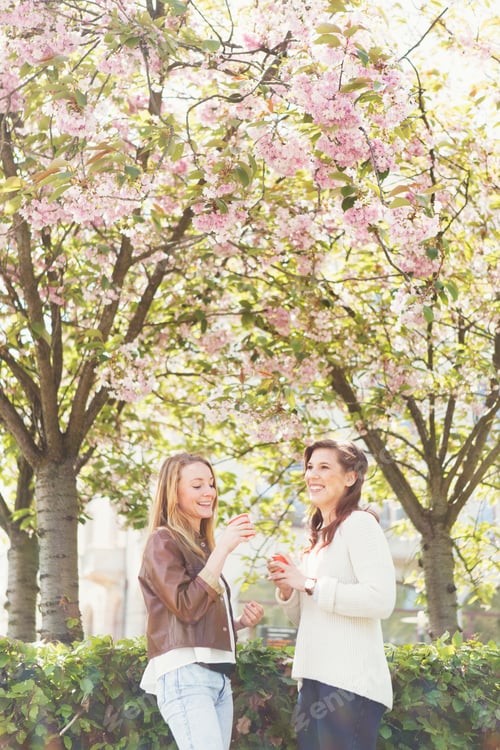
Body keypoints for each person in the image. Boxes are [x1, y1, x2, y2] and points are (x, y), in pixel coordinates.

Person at [268, 439, 396, 750]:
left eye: (324, 467)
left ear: (351, 477)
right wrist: (289, 589)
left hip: (348, 684)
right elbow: (308, 617)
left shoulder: (360, 524)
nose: (313, 474)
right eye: (310, 467)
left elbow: (381, 600)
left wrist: (310, 584)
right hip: (313, 680)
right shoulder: (318, 537)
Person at [138, 451, 264, 750]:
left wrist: (240, 624)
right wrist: (223, 550)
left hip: (217, 678)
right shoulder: (163, 541)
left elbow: (194, 620)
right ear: (174, 491)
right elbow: (185, 606)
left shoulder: (201, 549)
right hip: (186, 675)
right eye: (197, 485)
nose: (209, 492)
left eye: (211, 484)